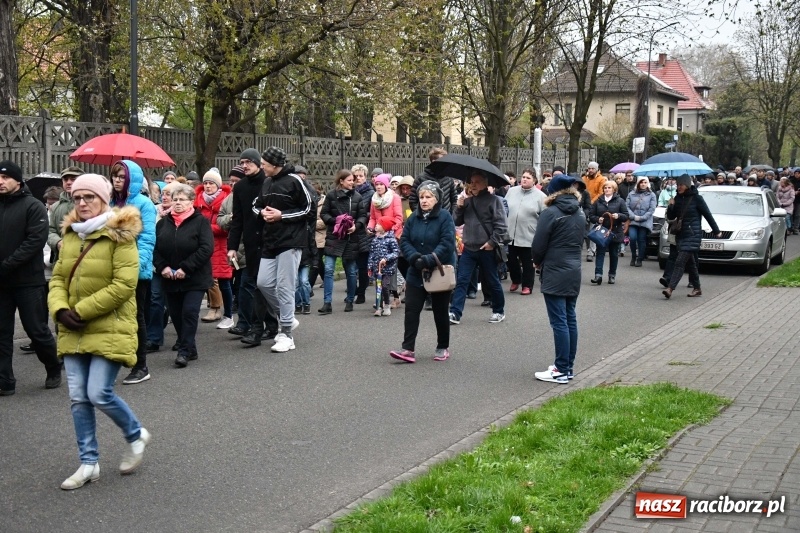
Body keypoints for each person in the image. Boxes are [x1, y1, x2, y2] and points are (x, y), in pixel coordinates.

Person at [48, 173, 150, 489]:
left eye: (89, 197)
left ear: (104, 199)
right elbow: (57, 279)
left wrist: (81, 310)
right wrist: (60, 309)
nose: (82, 203)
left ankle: (135, 434)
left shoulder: (121, 235)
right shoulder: (71, 236)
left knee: (98, 392)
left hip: (110, 325)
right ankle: (89, 463)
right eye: (77, 198)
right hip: (73, 327)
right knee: (78, 397)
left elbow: (124, 286)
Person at [0, 160, 63, 396]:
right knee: (2, 333)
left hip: (28, 281)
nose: (1, 182)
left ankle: (53, 365)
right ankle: (5, 380)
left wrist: (7, 265)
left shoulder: (33, 206)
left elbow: (34, 242)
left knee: (36, 330)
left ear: (17, 180)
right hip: (2, 284)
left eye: (5, 177)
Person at [253, 147, 311, 353]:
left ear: (275, 165)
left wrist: (281, 216)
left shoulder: (296, 181)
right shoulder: (266, 182)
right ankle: (288, 318)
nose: (261, 167)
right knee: (263, 283)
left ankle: (286, 333)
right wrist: (262, 214)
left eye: (264, 164)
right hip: (270, 241)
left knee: (285, 286)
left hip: (291, 241)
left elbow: (309, 208)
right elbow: (255, 205)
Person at [391, 182, 456, 363]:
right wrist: (415, 258)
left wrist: (428, 259)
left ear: (436, 199)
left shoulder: (445, 217)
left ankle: (443, 346)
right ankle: (407, 349)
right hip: (416, 270)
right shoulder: (413, 218)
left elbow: (447, 243)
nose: (424, 201)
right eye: (421, 197)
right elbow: (404, 240)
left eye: (428, 197)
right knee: (411, 309)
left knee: (440, 310)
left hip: (438, 271)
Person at [531, 174, 585, 384]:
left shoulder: (550, 213)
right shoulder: (579, 212)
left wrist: (537, 262)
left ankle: (561, 369)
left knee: (559, 321)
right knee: (569, 318)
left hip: (554, 269)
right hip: (574, 269)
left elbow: (538, 245)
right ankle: (567, 367)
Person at [154, 183, 214, 366]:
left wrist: (185, 268)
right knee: (176, 314)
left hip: (194, 277)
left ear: (191, 202)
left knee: (189, 312)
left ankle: (184, 350)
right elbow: (155, 249)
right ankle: (190, 347)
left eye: (182, 199)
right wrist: (162, 267)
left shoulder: (201, 221)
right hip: (170, 278)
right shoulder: (163, 223)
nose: (178, 203)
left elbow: (206, 248)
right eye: (175, 199)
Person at [109, 161, 157, 386]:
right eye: (115, 176)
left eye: (122, 176)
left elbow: (147, 239)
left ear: (132, 179)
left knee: (135, 318)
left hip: (136, 272)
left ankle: (141, 366)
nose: (117, 180)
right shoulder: (108, 203)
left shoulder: (144, 204)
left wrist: (133, 267)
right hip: (110, 270)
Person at [226, 149, 278, 347]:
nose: (245, 165)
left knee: (261, 286)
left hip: (270, 241)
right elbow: (237, 219)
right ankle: (267, 325)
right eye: (242, 162)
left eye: (249, 162)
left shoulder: (270, 182)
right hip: (250, 244)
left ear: (258, 163)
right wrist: (232, 246)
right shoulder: (240, 187)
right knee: (252, 284)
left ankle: (258, 328)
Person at [449, 172, 508, 325]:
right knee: (462, 281)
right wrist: (460, 207)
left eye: (477, 182)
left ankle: (498, 311)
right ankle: (455, 312)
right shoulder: (467, 202)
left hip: (486, 249)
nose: (473, 185)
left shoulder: (494, 201)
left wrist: (492, 243)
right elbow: (456, 221)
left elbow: (501, 226)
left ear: (486, 183)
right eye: (471, 182)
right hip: (469, 248)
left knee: (492, 281)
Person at [662, 174, 721, 299]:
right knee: (691, 263)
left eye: (681, 185)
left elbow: (708, 215)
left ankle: (670, 288)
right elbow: (672, 217)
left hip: (693, 235)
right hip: (681, 235)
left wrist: (716, 231)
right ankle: (697, 288)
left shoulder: (697, 199)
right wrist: (671, 205)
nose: (679, 187)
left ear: (687, 185)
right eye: (677, 185)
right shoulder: (677, 198)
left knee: (680, 261)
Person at [319, 169, 366, 314]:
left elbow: (363, 215)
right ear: (341, 181)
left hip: (351, 239)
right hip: (334, 237)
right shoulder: (331, 195)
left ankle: (350, 299)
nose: (353, 182)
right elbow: (324, 213)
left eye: (353, 180)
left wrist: (356, 226)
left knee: (351, 271)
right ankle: (327, 303)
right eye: (350, 180)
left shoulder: (357, 197)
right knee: (328, 270)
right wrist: (336, 222)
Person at [194, 169, 234, 328]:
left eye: (211, 183)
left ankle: (226, 313)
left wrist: (205, 228)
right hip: (202, 245)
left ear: (218, 185)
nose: (208, 186)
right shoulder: (198, 201)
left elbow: (225, 226)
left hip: (221, 245)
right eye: (205, 183)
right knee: (206, 278)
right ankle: (215, 308)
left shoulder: (226, 200)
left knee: (223, 281)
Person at [504, 168, 546, 295]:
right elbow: (504, 207)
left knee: (528, 262)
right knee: (511, 260)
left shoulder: (541, 196)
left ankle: (527, 285)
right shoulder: (511, 191)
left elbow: (544, 217)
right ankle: (516, 280)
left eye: (528, 178)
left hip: (529, 234)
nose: (524, 179)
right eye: (523, 177)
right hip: (510, 233)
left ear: (534, 181)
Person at [588, 180, 628, 285]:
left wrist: (618, 216)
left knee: (614, 254)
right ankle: (598, 275)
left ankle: (612, 275)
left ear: (614, 189)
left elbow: (626, 215)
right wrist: (598, 219)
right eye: (605, 188)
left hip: (615, 231)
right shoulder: (598, 201)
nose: (607, 189)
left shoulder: (620, 201)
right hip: (602, 232)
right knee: (600, 253)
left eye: (609, 188)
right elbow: (591, 215)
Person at [47, 166, 82, 263]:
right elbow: (50, 230)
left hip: (84, 257)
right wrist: (57, 242)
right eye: (65, 179)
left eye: (73, 179)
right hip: (61, 258)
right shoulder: (55, 206)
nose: (69, 182)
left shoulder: (89, 204)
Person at [367, 216, 400, 316]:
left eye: (378, 224)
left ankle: (386, 304)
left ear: (385, 227)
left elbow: (396, 252)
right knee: (378, 288)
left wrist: (386, 258)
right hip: (377, 269)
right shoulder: (375, 240)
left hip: (387, 269)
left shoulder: (391, 240)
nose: (376, 226)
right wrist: (369, 266)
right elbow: (371, 254)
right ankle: (379, 307)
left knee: (384, 286)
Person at [409, 147, 458, 214]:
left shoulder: (449, 179)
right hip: (426, 220)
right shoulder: (421, 178)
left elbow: (454, 199)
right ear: (433, 162)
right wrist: (422, 216)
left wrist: (451, 215)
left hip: (445, 219)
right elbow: (413, 200)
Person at [625, 177, 657, 267]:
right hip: (633, 220)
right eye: (641, 182)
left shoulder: (652, 195)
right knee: (633, 238)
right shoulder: (631, 194)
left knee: (641, 240)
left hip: (645, 221)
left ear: (648, 184)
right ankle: (633, 256)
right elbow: (626, 206)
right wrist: (633, 216)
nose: (643, 184)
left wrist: (643, 217)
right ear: (638, 183)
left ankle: (640, 258)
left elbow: (652, 208)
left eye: (645, 182)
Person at [581, 161, 605, 262]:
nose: (590, 170)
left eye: (592, 169)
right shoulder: (583, 179)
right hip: (584, 207)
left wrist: (591, 201)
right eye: (589, 168)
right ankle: (587, 249)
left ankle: (591, 251)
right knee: (584, 230)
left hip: (595, 207)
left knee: (592, 230)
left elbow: (601, 193)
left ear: (596, 169)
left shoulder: (601, 179)